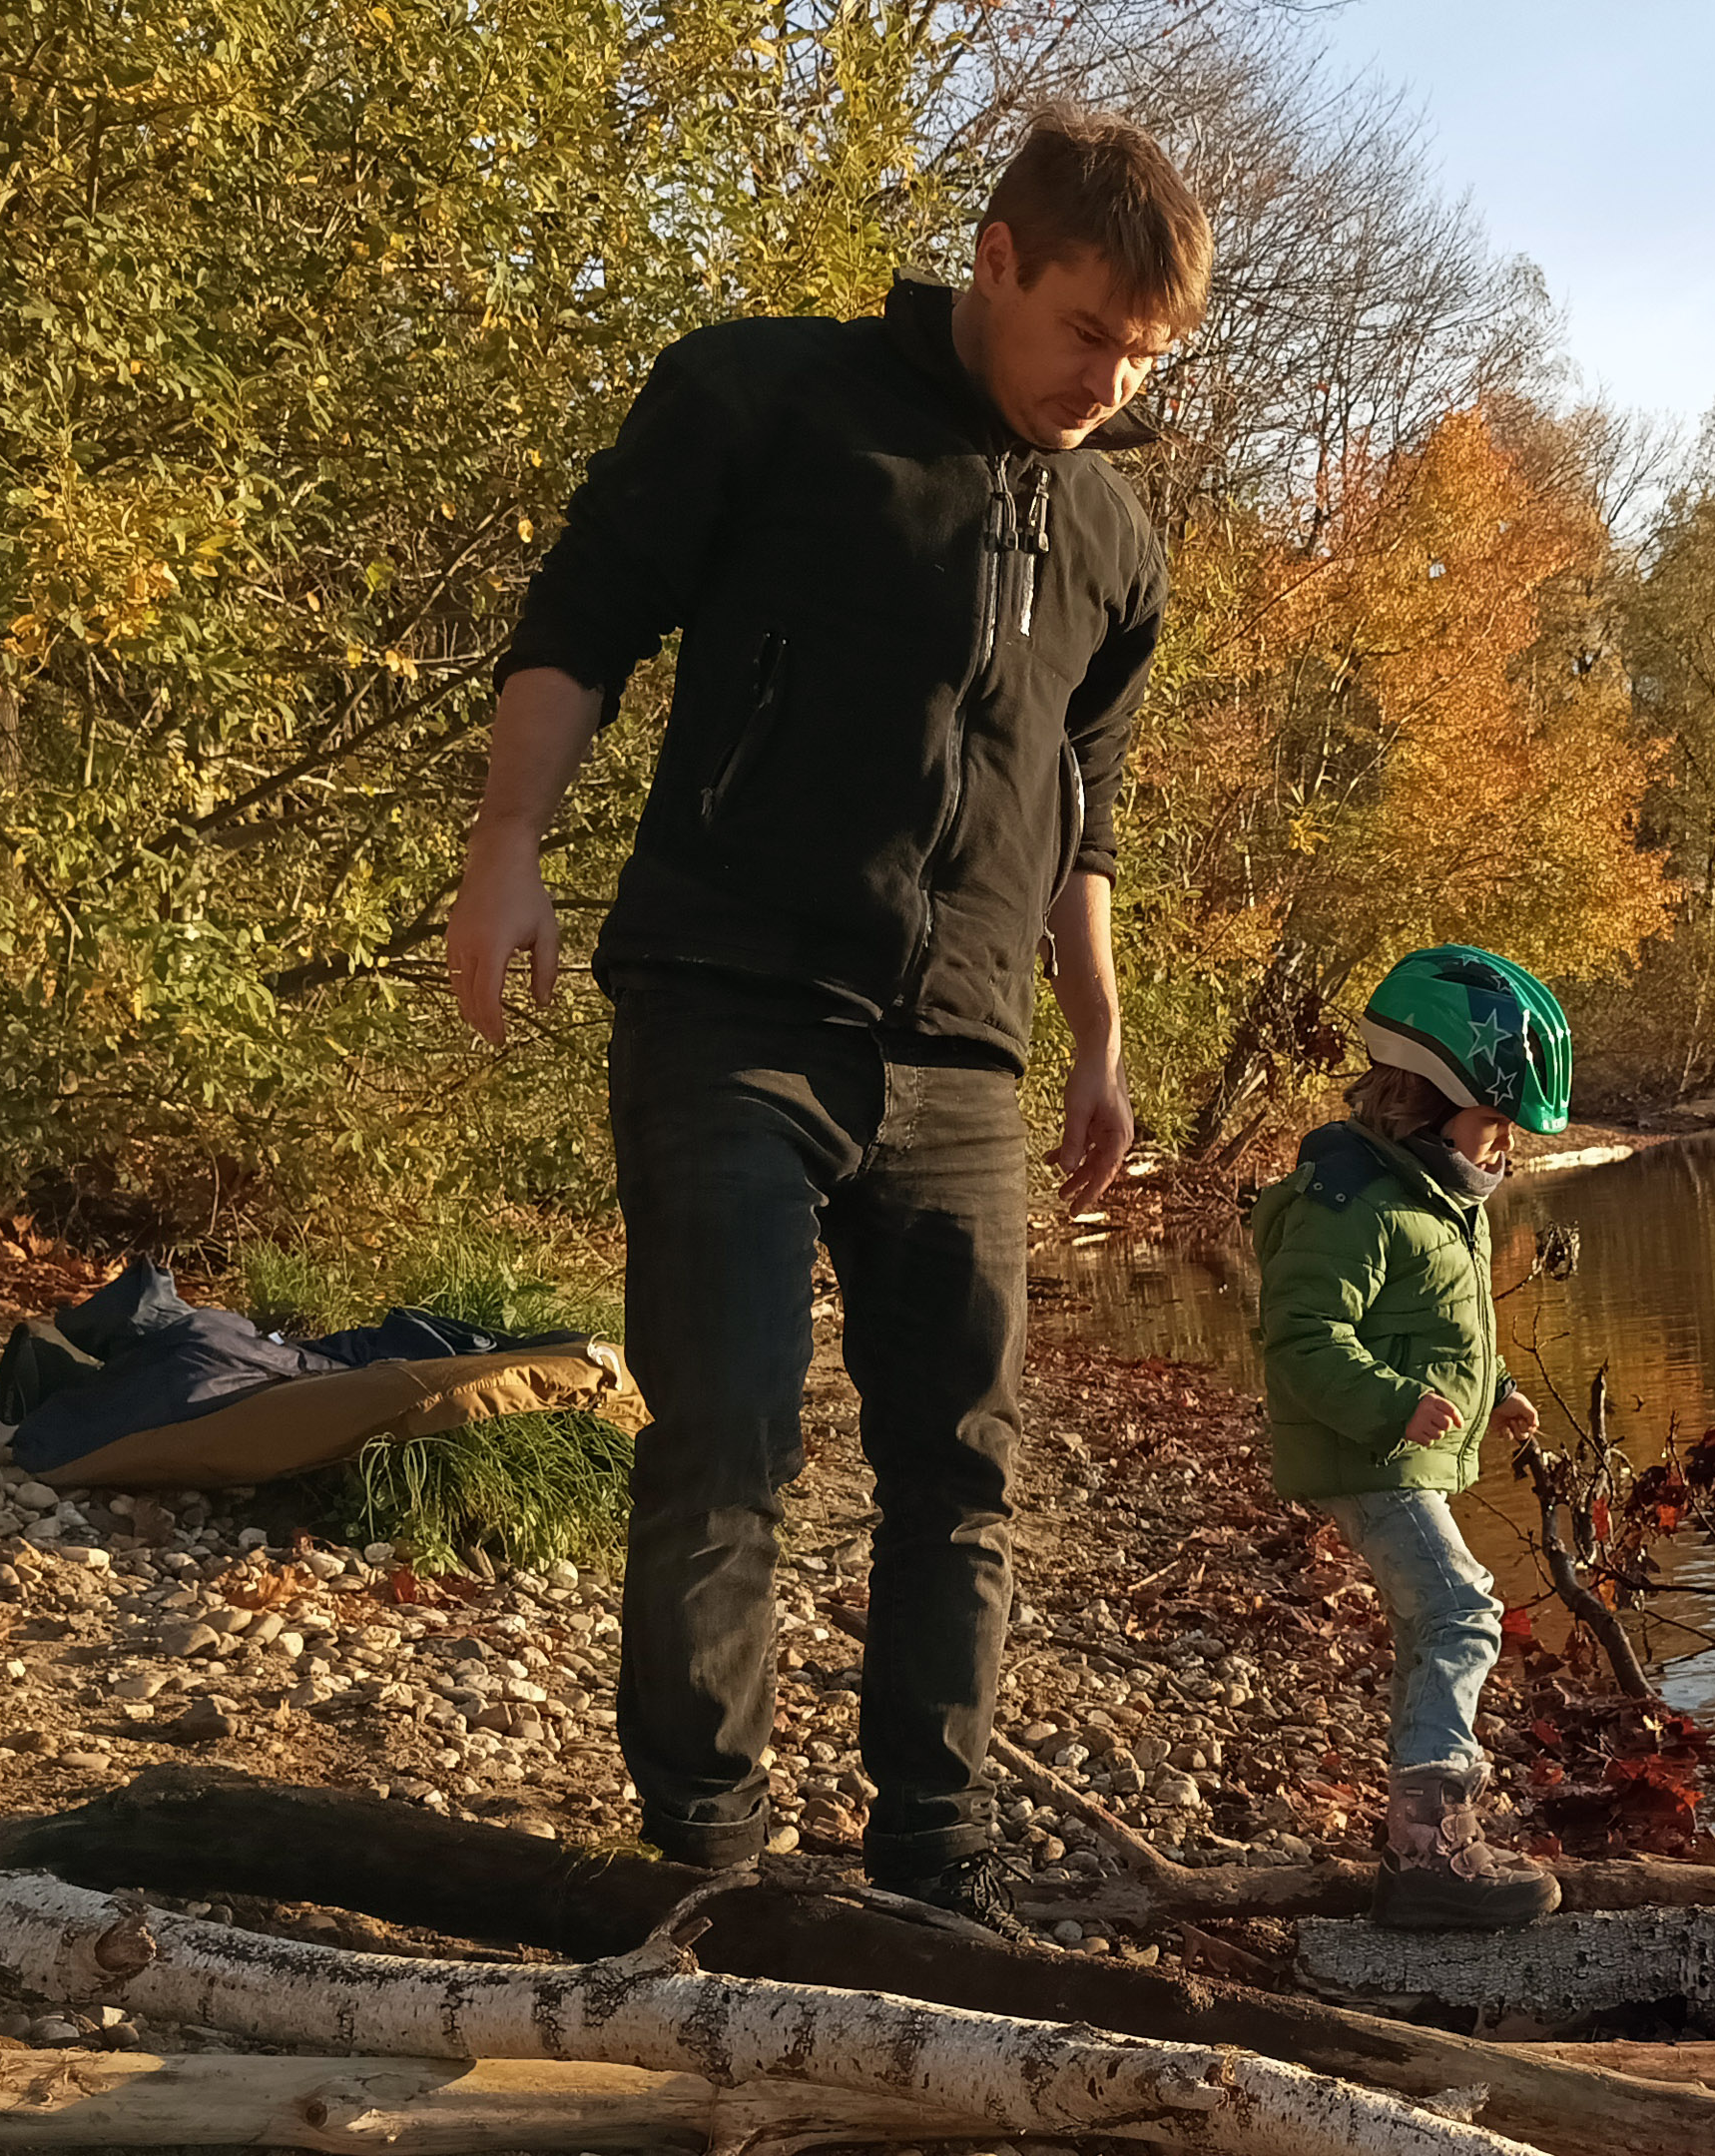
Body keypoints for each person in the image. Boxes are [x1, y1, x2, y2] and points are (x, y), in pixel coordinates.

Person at [441, 112, 1209, 1933]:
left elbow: (1079, 817)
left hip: (963, 1060)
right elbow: (585, 618)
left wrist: (1097, 1036)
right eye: (1087, 331)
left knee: (966, 1460)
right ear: (998, 259)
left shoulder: (1113, 540)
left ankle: (935, 1862)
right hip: (734, 1003)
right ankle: (702, 1860)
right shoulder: (766, 401)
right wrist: (507, 849)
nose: (1108, 382)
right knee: (730, 1433)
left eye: (1146, 357)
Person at [1247, 947, 1573, 1929]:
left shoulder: (1430, 1199)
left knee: (1434, 1618)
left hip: (1394, 1442)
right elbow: (1301, 1337)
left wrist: (1499, 1391)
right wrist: (1392, 1404)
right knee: (1462, 1610)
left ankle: (1416, 1836)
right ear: (1424, 1103)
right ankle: (1431, 1853)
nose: (1503, 1151)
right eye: (1493, 1127)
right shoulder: (1351, 1203)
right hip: (1366, 1448)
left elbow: (1444, 1326)